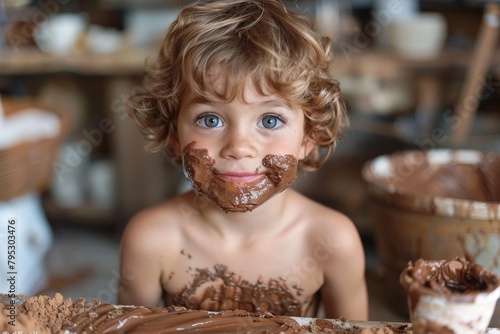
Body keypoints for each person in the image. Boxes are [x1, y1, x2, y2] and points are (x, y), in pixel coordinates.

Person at [119, 0, 368, 320]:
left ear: (310, 136)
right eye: (210, 120)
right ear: (175, 135)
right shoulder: (150, 240)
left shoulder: (332, 241)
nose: (239, 147)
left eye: (269, 121)